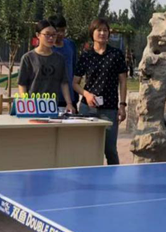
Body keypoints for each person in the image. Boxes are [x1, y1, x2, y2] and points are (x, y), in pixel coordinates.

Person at [73, 18, 128, 165]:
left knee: (110, 150)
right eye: (99, 30)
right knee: (87, 148)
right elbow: (75, 83)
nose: (102, 33)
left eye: (105, 30)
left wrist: (122, 105)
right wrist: (86, 94)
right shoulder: (86, 55)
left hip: (109, 109)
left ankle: (114, 175)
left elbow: (123, 81)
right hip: (87, 109)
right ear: (92, 33)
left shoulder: (116, 54)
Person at [17, 20, 74, 113]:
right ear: (38, 35)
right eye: (47, 34)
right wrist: (26, 104)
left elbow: (64, 83)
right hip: (33, 106)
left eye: (54, 35)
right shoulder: (28, 58)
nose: (51, 38)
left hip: (52, 107)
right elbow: (22, 84)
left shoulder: (60, 59)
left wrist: (69, 103)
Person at [48, 15, 78, 108]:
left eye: (63, 30)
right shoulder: (47, 48)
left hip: (69, 98)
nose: (61, 34)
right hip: (51, 98)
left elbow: (74, 69)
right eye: (58, 31)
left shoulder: (71, 45)